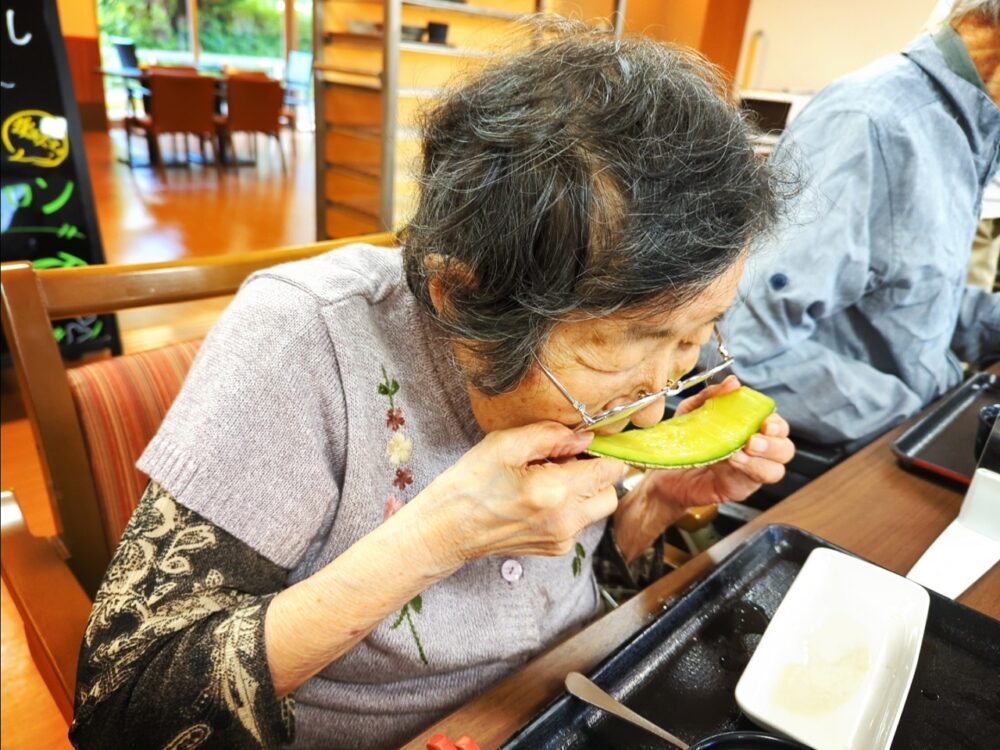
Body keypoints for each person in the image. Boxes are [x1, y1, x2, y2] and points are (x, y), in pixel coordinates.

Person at [69, 21, 794, 750]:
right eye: (628, 343)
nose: (658, 393)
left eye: (698, 333)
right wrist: (439, 536)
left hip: (573, 701)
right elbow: (122, 709)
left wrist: (656, 506)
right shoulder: (303, 340)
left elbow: (567, 590)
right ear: (458, 296)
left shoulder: (615, 372)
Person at [725, 0, 1000, 446]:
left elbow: (909, 297)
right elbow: (744, 345)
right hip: (840, 456)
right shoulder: (871, 123)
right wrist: (910, 412)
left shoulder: (962, 133)